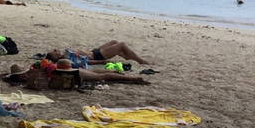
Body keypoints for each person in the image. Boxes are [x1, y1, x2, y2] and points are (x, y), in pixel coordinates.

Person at [8, 58, 148, 85]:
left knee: (102, 75)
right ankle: (126, 77)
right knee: (99, 74)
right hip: (68, 71)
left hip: (70, 71)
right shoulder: (32, 73)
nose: (23, 77)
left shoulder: (33, 72)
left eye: (22, 75)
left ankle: (133, 79)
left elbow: (49, 73)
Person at [46, 40, 150, 65]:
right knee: (121, 45)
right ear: (55, 57)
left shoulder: (65, 55)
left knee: (114, 42)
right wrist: (102, 62)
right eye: (54, 51)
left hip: (93, 51)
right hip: (97, 56)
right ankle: (140, 61)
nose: (56, 50)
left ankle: (126, 57)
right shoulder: (67, 59)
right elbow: (85, 62)